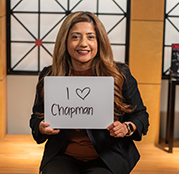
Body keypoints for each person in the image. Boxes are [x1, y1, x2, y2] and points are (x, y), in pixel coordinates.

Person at [30, 11, 149, 174]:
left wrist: (127, 127)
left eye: (90, 37)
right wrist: (41, 127)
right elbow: (36, 117)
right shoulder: (49, 75)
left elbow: (141, 115)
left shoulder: (120, 74)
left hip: (107, 156)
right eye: (75, 37)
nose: (83, 43)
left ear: (100, 41)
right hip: (62, 156)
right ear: (65, 41)